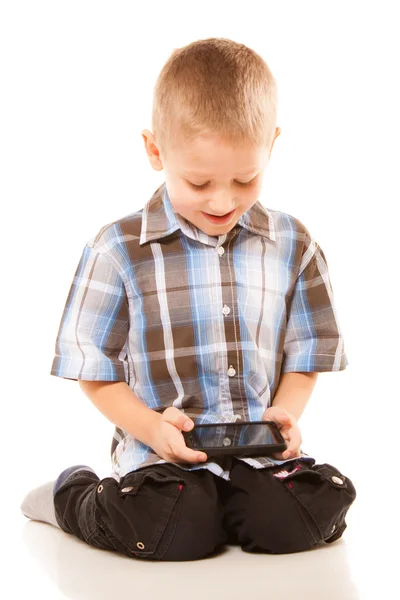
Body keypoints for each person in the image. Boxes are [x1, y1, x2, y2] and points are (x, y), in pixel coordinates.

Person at [20, 37, 356, 561]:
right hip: (162, 457)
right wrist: (152, 427)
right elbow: (93, 366)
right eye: (198, 183)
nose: (223, 201)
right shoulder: (118, 250)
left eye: (245, 179)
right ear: (156, 151)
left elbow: (307, 353)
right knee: (171, 531)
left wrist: (285, 416)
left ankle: (230, 504)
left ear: (272, 143)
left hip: (256, 453)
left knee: (298, 520)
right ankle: (72, 497)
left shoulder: (294, 244)